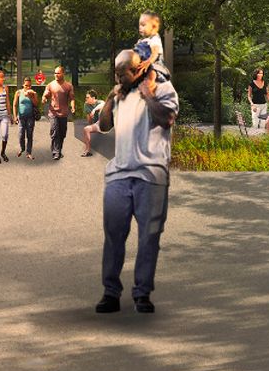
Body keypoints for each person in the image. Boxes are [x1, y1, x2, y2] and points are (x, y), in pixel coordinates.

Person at [93, 49, 178, 314]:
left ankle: (142, 294)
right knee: (113, 236)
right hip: (119, 175)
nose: (118, 78)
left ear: (138, 69)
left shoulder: (163, 89)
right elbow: (103, 126)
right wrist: (110, 98)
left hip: (151, 176)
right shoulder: (119, 94)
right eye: (116, 74)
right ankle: (110, 293)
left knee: (149, 237)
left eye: (123, 74)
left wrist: (148, 95)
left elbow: (167, 119)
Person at [45, 68, 74, 160]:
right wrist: (44, 98)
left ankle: (58, 150)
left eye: (58, 73)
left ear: (63, 73)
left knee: (62, 133)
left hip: (64, 113)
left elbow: (72, 98)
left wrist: (73, 107)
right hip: (53, 112)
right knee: (55, 131)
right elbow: (46, 95)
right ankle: (56, 152)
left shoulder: (68, 86)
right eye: (55, 73)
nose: (56, 75)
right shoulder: (50, 85)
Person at [14, 81, 39, 160]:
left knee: (29, 135)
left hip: (30, 117)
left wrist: (31, 96)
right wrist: (15, 116)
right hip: (21, 117)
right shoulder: (18, 92)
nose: (28, 87)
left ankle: (29, 152)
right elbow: (14, 105)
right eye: (26, 85)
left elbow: (36, 104)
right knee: (21, 135)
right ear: (23, 85)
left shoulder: (33, 93)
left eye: (29, 86)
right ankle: (22, 148)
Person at [78, 91, 105, 157]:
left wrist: (94, 110)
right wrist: (90, 126)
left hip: (105, 123)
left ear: (93, 98)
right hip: (97, 124)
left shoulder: (100, 102)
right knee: (86, 129)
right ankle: (87, 151)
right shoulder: (86, 104)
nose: (86, 99)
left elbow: (103, 104)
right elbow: (88, 118)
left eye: (88, 97)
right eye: (86, 97)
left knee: (102, 109)